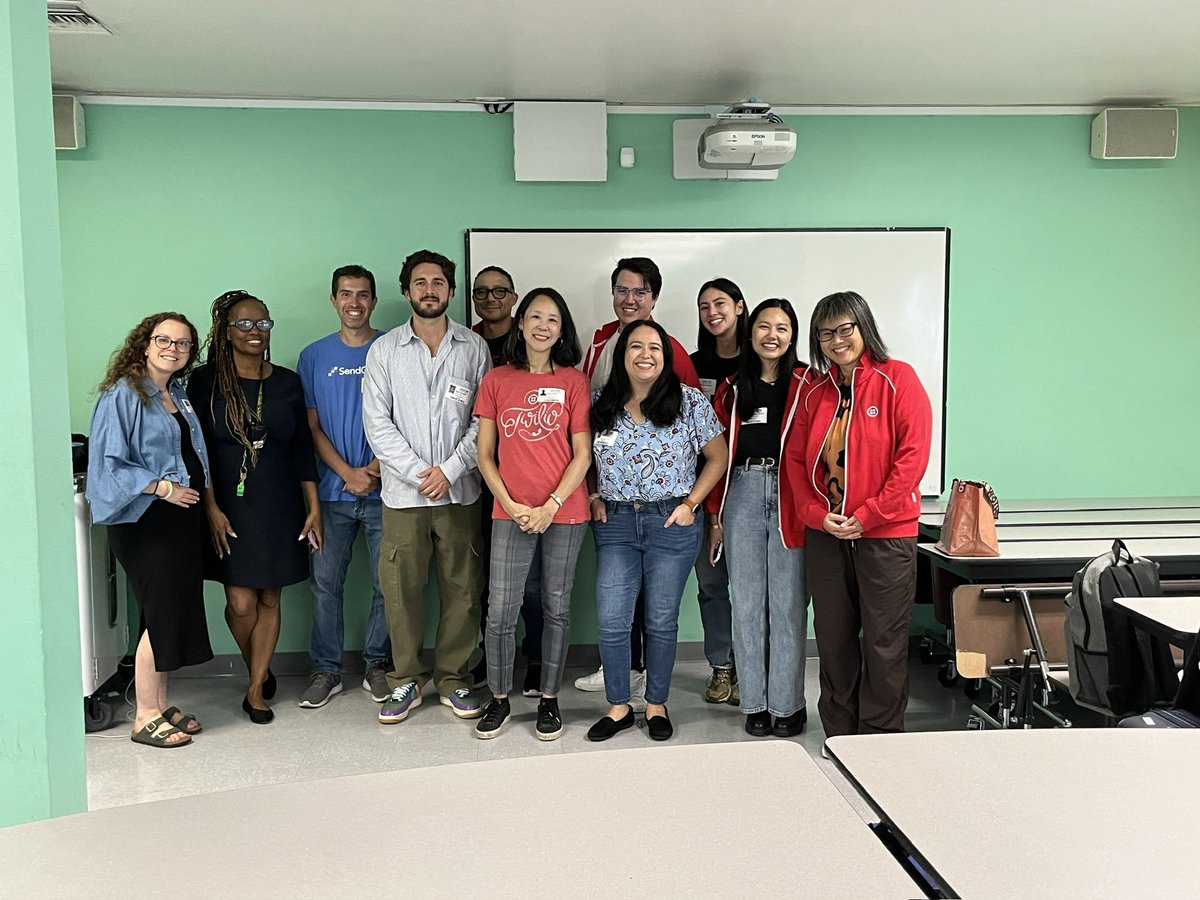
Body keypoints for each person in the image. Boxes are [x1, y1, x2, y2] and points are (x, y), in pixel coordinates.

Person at [784, 291, 932, 738]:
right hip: (828, 536)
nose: (836, 340)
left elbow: (912, 458)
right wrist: (815, 514)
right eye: (826, 333)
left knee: (885, 645)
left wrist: (869, 515)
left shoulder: (898, 379)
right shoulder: (815, 391)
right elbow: (794, 461)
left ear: (864, 327)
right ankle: (841, 734)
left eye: (845, 329)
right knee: (834, 643)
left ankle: (881, 741)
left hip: (885, 536)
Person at [362, 249, 490, 725]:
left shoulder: (474, 348)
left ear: (451, 291)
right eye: (420, 282)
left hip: (460, 493)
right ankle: (406, 683)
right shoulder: (385, 351)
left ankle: (454, 680)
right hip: (404, 497)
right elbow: (377, 424)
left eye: (439, 282)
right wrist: (422, 472)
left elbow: (485, 420)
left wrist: (452, 470)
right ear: (407, 290)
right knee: (401, 591)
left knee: (463, 589)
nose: (430, 290)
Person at [586, 320, 727, 743]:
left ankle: (656, 705)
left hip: (672, 521)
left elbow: (717, 458)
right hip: (615, 523)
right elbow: (581, 457)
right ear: (621, 353)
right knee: (612, 619)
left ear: (665, 357)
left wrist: (691, 505)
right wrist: (594, 495)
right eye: (635, 347)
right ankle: (618, 706)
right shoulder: (600, 402)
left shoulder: (689, 402)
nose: (645, 355)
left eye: (654, 348)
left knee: (661, 620)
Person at [190, 291, 322, 725]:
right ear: (225, 332)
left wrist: (314, 506)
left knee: (269, 595)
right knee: (241, 603)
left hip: (280, 503)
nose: (255, 332)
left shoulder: (285, 382)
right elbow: (198, 451)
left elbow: (302, 448)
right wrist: (209, 507)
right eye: (244, 324)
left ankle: (255, 689)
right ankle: (257, 666)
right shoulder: (204, 382)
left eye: (263, 324)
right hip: (227, 504)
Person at [575, 257, 701, 699]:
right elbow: (587, 427)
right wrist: (592, 491)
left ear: (654, 299)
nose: (630, 299)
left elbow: (695, 431)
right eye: (622, 291)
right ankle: (623, 674)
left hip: (667, 509)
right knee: (617, 603)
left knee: (657, 607)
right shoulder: (600, 342)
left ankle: (649, 678)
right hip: (615, 507)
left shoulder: (673, 352)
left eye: (640, 292)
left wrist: (690, 502)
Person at [87, 312, 213, 748]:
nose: (172, 349)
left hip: (178, 518)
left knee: (162, 613)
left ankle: (158, 704)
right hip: (145, 519)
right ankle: (144, 718)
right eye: (164, 340)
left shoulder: (176, 393)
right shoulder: (124, 393)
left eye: (182, 343)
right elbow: (108, 460)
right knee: (162, 613)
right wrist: (163, 487)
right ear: (144, 344)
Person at [472, 287, 592, 741]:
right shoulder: (497, 380)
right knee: (501, 610)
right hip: (511, 513)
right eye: (536, 317)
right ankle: (499, 699)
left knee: (556, 608)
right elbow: (486, 454)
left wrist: (551, 505)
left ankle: (548, 700)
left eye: (553, 320)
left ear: (562, 331)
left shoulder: (574, 382)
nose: (543, 326)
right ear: (520, 324)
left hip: (563, 512)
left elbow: (582, 455)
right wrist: (512, 503)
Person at [707, 298, 809, 738]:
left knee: (787, 604)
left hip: (791, 496)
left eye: (782, 328)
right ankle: (755, 704)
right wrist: (714, 517)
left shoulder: (810, 383)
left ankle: (788, 705)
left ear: (792, 336)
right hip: (742, 494)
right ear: (750, 334)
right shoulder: (731, 387)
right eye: (764, 326)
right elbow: (713, 457)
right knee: (746, 603)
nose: (772, 335)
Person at [295, 265, 392, 709]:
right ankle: (326, 670)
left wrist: (370, 470)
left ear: (374, 300)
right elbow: (310, 426)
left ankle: (377, 664)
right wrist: (348, 473)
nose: (355, 303)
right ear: (333, 300)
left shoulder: (392, 347)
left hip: (386, 490)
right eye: (346, 294)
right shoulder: (313, 356)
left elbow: (403, 419)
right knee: (325, 585)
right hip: (331, 496)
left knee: (386, 584)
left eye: (363, 295)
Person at [469, 265, 544, 696]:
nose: (491, 298)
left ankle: (535, 658)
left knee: (532, 583)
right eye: (482, 292)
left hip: (531, 486)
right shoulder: (467, 344)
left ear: (514, 298)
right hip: (483, 482)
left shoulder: (534, 342)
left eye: (500, 291)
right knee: (489, 581)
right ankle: (493, 657)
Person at [689, 277, 748, 704]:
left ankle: (752, 665)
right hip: (701, 487)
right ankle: (721, 666)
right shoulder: (692, 367)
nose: (713, 312)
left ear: (740, 307)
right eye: (704, 306)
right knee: (711, 584)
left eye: (721, 303)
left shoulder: (765, 359)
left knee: (751, 586)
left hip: (751, 489)